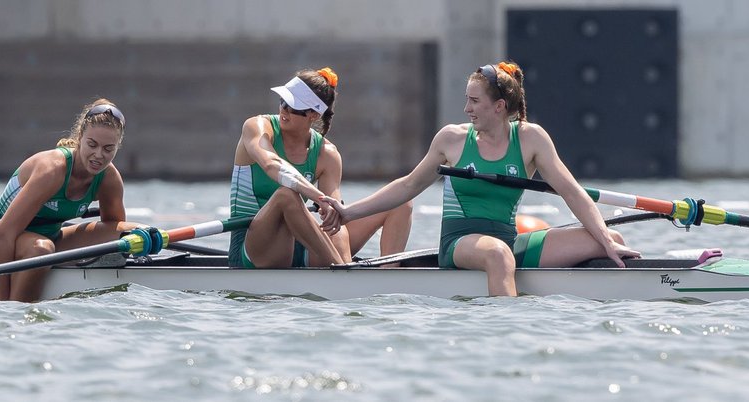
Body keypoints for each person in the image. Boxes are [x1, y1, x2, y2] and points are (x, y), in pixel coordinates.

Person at [319, 60, 640, 296]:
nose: (466, 108)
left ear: (499, 106)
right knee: (497, 255)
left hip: (510, 240)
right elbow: (407, 186)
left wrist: (602, 238)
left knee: (612, 242)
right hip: (461, 243)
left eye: (474, 101)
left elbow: (572, 192)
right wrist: (348, 212)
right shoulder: (452, 140)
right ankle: (507, 335)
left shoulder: (531, 139)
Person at [228, 67, 413, 269]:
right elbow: (271, 164)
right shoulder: (258, 127)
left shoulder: (327, 154)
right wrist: (319, 198)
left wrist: (332, 213)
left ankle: (387, 276)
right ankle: (342, 273)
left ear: (314, 115)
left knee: (399, 203)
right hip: (254, 245)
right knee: (287, 195)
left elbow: (334, 216)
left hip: (302, 241)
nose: (284, 110)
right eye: (283, 102)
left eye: (293, 107)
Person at [0, 99, 137, 302]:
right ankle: (21, 306)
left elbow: (115, 226)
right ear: (80, 137)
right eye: (92, 145)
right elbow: (3, 235)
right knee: (41, 249)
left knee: (131, 232)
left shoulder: (109, 178)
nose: (99, 155)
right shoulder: (52, 170)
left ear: (117, 148)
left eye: (108, 149)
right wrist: (4, 304)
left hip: (51, 238)